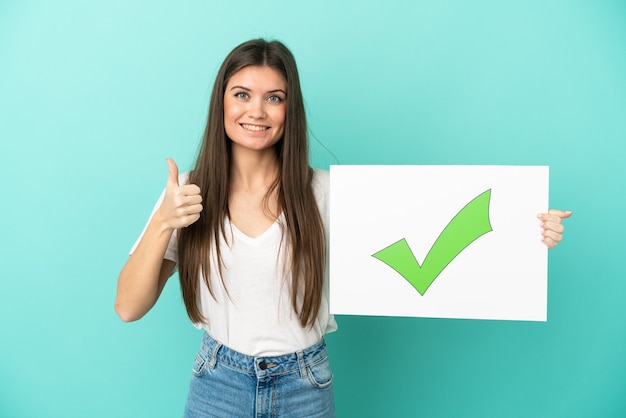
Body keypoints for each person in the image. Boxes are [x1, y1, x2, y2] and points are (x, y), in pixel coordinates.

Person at [114, 39, 571, 418]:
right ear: (222, 101)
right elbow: (128, 307)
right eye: (242, 94)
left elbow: (437, 243)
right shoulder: (187, 192)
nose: (257, 110)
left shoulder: (328, 194)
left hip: (304, 386)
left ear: (290, 110)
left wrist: (523, 230)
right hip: (218, 384)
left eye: (274, 97)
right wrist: (163, 222)